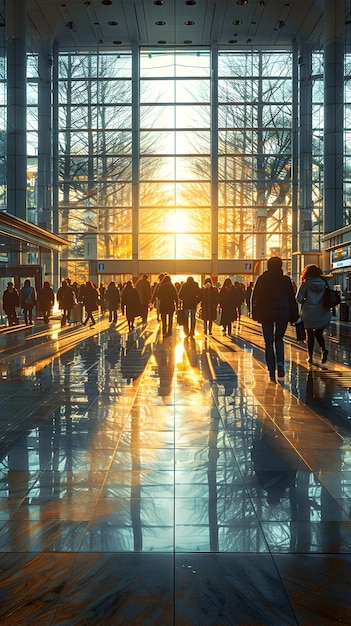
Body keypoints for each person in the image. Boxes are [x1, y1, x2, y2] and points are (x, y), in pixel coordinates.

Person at [251, 256, 298, 381]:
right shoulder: (285, 280)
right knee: (279, 339)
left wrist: (254, 313)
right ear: (280, 266)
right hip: (283, 315)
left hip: (266, 315)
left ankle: (271, 369)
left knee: (269, 342)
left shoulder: (262, 279)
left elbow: (254, 297)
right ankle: (280, 364)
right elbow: (291, 299)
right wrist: (294, 316)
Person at [295, 264, 331, 365]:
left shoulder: (305, 284)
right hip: (323, 312)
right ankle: (323, 350)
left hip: (309, 312)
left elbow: (298, 298)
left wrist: (306, 300)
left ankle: (310, 357)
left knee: (310, 335)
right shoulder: (325, 283)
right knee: (319, 333)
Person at [157, 274, 178, 338]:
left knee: (163, 320)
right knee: (170, 319)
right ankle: (169, 331)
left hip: (163, 304)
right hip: (170, 305)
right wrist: (177, 306)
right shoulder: (172, 287)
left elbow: (159, 296)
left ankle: (164, 331)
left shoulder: (161, 287)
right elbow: (175, 297)